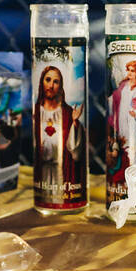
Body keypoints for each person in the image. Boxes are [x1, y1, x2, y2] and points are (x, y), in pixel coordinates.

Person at [34, 65, 84, 199]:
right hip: (41, 170)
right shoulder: (36, 112)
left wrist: (74, 123)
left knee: (60, 198)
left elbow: (75, 151)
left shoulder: (67, 113)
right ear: (41, 82)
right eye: (48, 80)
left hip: (61, 171)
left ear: (60, 86)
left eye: (56, 82)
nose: (51, 85)